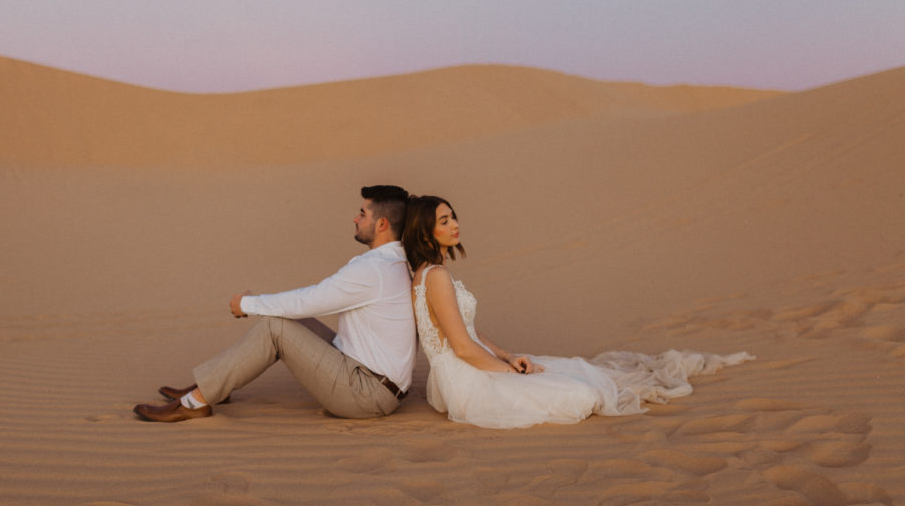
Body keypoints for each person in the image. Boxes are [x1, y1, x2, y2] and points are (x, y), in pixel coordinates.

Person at [401, 194, 754, 429]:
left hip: (472, 367)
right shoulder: (437, 277)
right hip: (466, 382)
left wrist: (508, 355)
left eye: (453, 217)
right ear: (426, 232)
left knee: (574, 371)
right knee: (582, 396)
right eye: (444, 220)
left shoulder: (429, 274)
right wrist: (511, 372)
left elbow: (468, 332)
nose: (454, 224)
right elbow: (462, 348)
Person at [133, 185, 416, 422]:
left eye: (363, 213)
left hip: (367, 394)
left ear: (381, 224)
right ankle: (215, 384)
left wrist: (247, 304)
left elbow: (311, 300)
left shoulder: (375, 269)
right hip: (371, 380)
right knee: (286, 321)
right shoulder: (390, 262)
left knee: (275, 328)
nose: (355, 218)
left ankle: (197, 401)